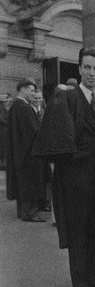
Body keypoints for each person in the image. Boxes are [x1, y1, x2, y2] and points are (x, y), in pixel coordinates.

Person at [32, 47, 95, 287]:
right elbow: (54, 138)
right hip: (74, 176)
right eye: (87, 67)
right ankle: (80, 282)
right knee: (78, 228)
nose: (92, 73)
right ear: (80, 69)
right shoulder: (67, 99)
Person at [7, 78, 46, 222]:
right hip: (28, 153)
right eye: (31, 90)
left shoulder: (15, 106)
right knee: (29, 182)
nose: (33, 93)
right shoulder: (23, 107)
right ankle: (29, 213)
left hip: (20, 151)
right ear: (22, 89)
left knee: (23, 182)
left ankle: (23, 211)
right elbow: (34, 131)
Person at [0, 93, 11, 170]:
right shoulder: (2, 108)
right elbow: (2, 120)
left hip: (5, 131)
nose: (8, 102)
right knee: (3, 148)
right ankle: (3, 164)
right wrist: (10, 123)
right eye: (6, 101)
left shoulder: (6, 108)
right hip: (3, 131)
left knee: (4, 148)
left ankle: (4, 163)